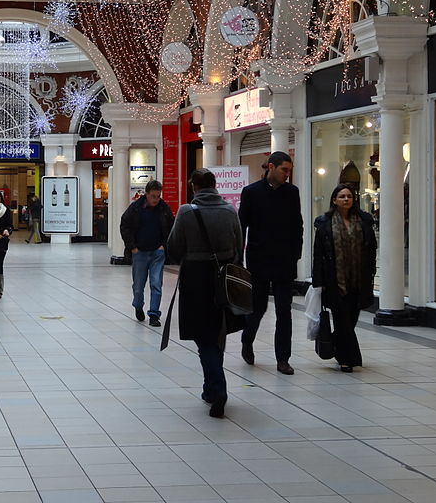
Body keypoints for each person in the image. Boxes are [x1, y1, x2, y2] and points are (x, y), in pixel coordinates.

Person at [167, 169, 243, 418]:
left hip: (196, 279)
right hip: (223, 277)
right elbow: (238, 246)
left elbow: (174, 246)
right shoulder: (230, 211)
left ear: (194, 186)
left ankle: (217, 388)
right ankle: (210, 388)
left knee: (204, 337)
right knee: (217, 330)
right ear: (215, 185)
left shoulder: (187, 212)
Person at [238, 151, 303, 375]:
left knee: (284, 311)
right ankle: (247, 339)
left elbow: (297, 225)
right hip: (259, 260)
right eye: (284, 169)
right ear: (271, 167)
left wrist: (296, 253)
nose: (287, 174)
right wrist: (239, 258)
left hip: (285, 261)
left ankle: (283, 358)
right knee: (258, 308)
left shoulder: (292, 192)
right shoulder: (251, 192)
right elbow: (242, 226)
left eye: (289, 170)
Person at [311, 184, 377, 372]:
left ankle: (338, 348)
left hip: (358, 279)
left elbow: (371, 248)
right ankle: (349, 359)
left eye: (349, 196)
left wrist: (371, 271)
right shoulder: (324, 223)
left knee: (351, 319)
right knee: (342, 320)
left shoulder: (363, 220)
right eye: (342, 196)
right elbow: (319, 254)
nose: (346, 199)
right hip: (334, 281)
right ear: (334, 200)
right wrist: (318, 282)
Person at [120, 179, 175, 327]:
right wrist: (132, 247)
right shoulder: (136, 208)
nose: (156, 199)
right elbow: (125, 225)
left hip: (157, 252)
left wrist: (164, 246)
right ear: (146, 194)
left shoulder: (164, 209)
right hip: (140, 252)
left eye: (158, 196)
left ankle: (154, 314)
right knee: (138, 285)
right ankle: (138, 305)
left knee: (156, 283)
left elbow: (171, 227)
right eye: (153, 196)